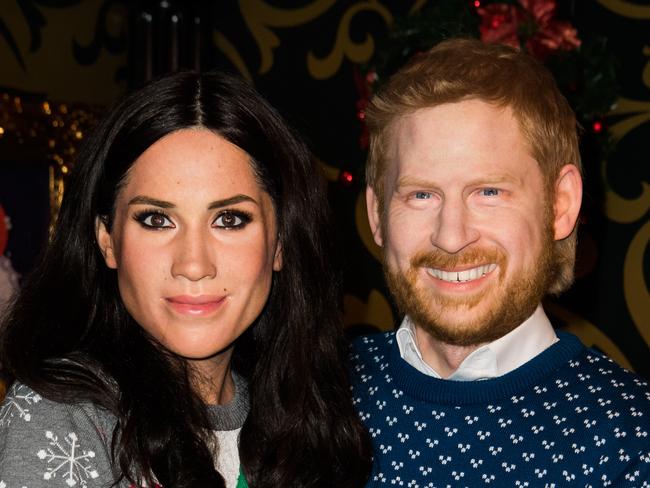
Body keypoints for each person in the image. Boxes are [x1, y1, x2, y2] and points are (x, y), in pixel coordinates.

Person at [0, 70, 371, 487]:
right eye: (157, 220)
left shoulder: (309, 421)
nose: (193, 265)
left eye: (229, 220)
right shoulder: (62, 417)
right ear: (107, 239)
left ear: (280, 240)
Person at [350, 37, 650, 486]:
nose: (451, 236)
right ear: (378, 215)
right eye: (421, 194)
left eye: (489, 192)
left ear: (559, 205)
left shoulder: (631, 439)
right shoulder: (311, 395)